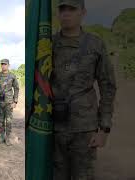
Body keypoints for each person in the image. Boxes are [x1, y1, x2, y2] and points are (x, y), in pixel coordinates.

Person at [51, 0, 117, 179]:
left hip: (84, 129)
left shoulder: (95, 44)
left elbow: (107, 86)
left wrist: (104, 129)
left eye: (71, 9)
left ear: (83, 12)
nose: (66, 13)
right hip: (53, 128)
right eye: (62, 9)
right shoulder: (47, 45)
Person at [0, 59, 19, 146]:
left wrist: (15, 101)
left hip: (9, 102)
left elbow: (16, 88)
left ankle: (7, 138)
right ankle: (2, 136)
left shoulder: (12, 76)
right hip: (0, 101)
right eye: (2, 64)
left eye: (5, 64)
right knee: (1, 120)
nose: (3, 66)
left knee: (9, 121)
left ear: (8, 65)